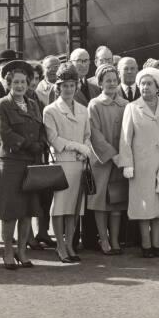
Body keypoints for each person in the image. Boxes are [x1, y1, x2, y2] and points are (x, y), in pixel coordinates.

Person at [119, 67, 159, 258]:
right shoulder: (132, 107)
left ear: (157, 86)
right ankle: (146, 245)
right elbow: (125, 139)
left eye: (149, 83)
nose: (145, 87)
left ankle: (156, 244)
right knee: (144, 206)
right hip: (140, 167)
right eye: (142, 84)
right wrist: (127, 164)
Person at [0, 59, 48, 269]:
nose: (19, 86)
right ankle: (8, 252)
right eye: (15, 82)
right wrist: (27, 144)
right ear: (8, 84)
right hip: (10, 163)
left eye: (23, 82)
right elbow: (4, 132)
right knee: (11, 211)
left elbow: (42, 128)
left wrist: (41, 143)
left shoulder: (33, 104)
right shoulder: (3, 104)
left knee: (27, 210)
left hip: (31, 163)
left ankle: (22, 252)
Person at [43, 62, 93, 263]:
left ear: (76, 86)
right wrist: (77, 146)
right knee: (60, 207)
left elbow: (88, 134)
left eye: (72, 85)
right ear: (58, 87)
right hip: (61, 163)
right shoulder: (51, 110)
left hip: (79, 163)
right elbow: (53, 139)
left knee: (74, 207)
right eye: (64, 85)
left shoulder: (83, 109)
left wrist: (86, 149)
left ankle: (70, 244)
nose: (68, 89)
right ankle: (60, 246)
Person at [87, 64, 129, 255]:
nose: (111, 84)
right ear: (100, 83)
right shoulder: (94, 104)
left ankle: (115, 240)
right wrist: (112, 154)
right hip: (102, 161)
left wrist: (124, 155)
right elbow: (94, 134)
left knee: (117, 201)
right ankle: (103, 240)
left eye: (114, 80)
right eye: (107, 81)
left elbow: (129, 133)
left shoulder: (125, 104)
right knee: (100, 202)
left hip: (120, 160)